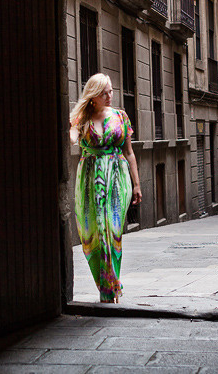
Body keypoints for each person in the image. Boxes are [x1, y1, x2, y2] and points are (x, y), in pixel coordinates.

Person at [69, 73, 142, 303]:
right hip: (91, 180)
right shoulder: (82, 118)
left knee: (112, 230)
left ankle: (111, 285)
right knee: (93, 235)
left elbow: (129, 153)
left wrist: (137, 184)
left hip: (118, 178)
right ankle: (107, 285)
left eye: (111, 91)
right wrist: (73, 131)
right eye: (104, 92)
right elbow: (72, 137)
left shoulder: (120, 116)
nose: (109, 96)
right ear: (93, 96)